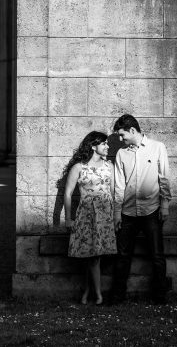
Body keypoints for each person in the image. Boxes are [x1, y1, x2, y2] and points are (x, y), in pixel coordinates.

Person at [108, 114, 171, 305]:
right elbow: (118, 185)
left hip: (151, 210)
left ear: (132, 130)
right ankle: (117, 296)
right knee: (122, 256)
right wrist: (117, 212)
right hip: (127, 213)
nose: (120, 139)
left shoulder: (157, 147)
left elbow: (164, 178)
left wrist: (165, 205)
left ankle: (160, 296)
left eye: (122, 135)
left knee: (157, 255)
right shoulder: (121, 154)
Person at [63, 131, 116, 305]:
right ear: (94, 146)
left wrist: (116, 216)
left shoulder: (110, 166)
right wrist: (68, 218)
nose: (107, 146)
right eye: (104, 143)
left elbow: (115, 193)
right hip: (86, 215)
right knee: (91, 255)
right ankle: (97, 295)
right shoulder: (79, 167)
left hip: (104, 215)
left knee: (95, 255)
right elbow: (68, 193)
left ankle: (88, 292)